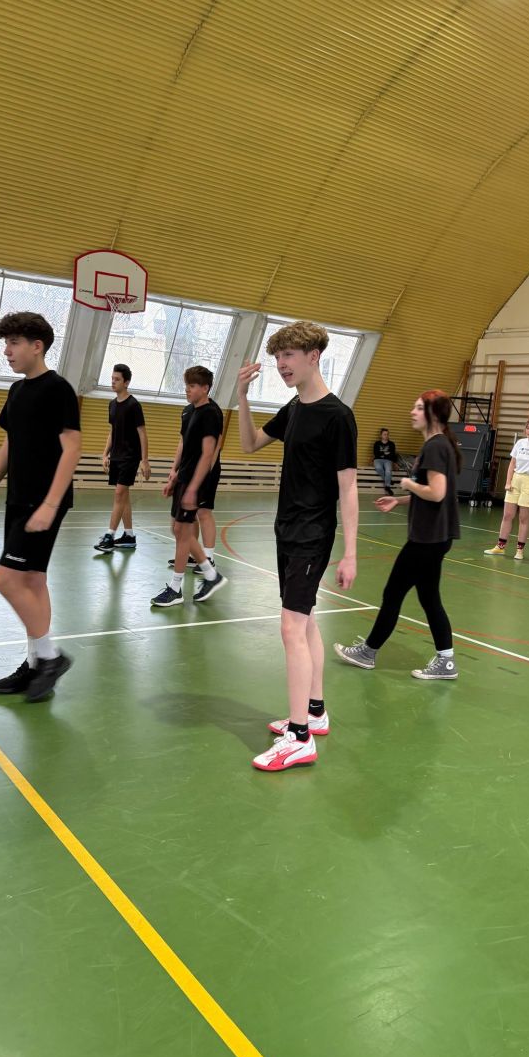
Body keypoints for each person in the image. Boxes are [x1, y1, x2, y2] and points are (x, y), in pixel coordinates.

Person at [238, 321, 358, 772]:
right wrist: (242, 397)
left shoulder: (338, 416)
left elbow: (348, 488)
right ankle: (315, 711)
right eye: (277, 357)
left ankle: (299, 737)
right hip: (285, 529)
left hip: (312, 533)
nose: (281, 364)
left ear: (313, 356)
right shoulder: (293, 409)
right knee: (304, 623)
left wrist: (350, 553)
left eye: (288, 355)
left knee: (291, 627)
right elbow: (250, 444)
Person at [0, 312, 81, 701]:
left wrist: (50, 504)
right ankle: (35, 666)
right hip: (18, 497)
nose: (7, 351)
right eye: (6, 343)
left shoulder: (58, 389)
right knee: (32, 580)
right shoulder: (17, 391)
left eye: (14, 343)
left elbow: (72, 447)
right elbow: (9, 445)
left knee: (6, 579)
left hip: (43, 501)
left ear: (37, 346)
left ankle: (50, 657)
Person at [334, 389, 460, 681]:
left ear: (433, 414)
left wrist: (407, 484)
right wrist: (400, 500)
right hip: (437, 537)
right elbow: (435, 493)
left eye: (419, 408)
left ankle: (368, 652)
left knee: (393, 593)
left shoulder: (435, 447)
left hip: (427, 539)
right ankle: (446, 661)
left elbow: (436, 492)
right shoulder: (442, 444)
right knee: (429, 598)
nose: (412, 412)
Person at [151, 366, 227, 607]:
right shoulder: (187, 411)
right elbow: (183, 443)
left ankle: (176, 588)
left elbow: (208, 454)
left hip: (198, 479)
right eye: (186, 385)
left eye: (192, 386)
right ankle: (211, 575)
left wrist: (194, 487)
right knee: (177, 529)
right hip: (184, 477)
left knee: (183, 531)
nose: (187, 390)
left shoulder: (211, 414)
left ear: (205, 388)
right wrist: (174, 474)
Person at [94, 364, 150, 552]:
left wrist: (144, 460)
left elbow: (142, 433)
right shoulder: (112, 405)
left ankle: (109, 536)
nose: (113, 382)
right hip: (116, 456)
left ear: (126, 382)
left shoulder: (133, 405)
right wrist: (105, 453)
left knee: (119, 493)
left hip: (130, 457)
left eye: (117, 379)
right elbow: (112, 431)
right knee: (123, 495)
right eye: (112, 378)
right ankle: (129, 535)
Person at [484, 418, 529, 561]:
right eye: (528, 428)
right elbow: (512, 463)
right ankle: (500, 547)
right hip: (517, 478)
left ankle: (520, 550)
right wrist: (508, 482)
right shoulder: (520, 443)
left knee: (523, 518)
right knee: (507, 515)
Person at [373, 428, 398, 495]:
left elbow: (393, 454)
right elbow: (376, 453)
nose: (386, 436)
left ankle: (387, 487)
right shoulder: (377, 443)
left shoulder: (391, 444)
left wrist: (395, 462)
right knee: (378, 468)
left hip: (388, 460)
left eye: (387, 434)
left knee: (388, 471)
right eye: (384, 434)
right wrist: (386, 454)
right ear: (381, 435)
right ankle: (388, 479)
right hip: (378, 459)